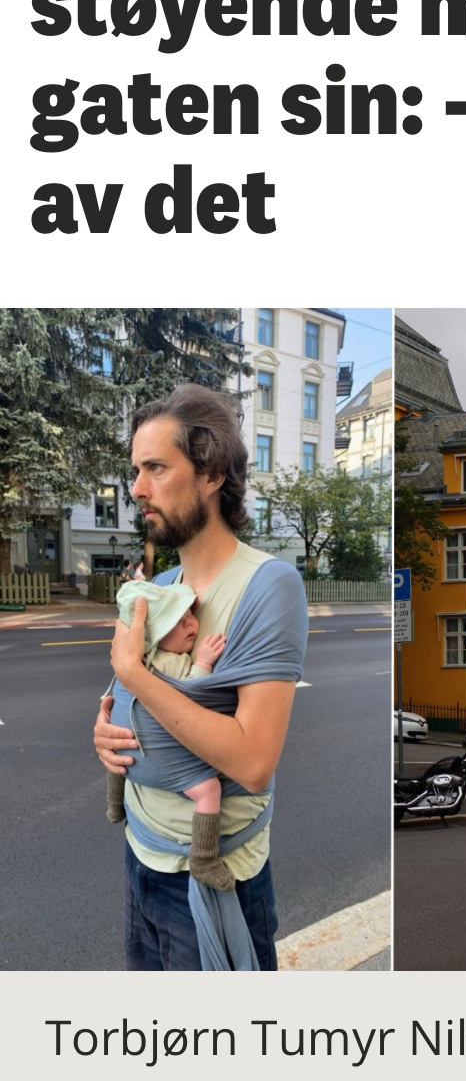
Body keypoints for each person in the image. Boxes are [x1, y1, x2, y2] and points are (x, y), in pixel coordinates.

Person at [93, 384, 308, 972]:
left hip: (212, 882)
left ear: (211, 472)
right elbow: (126, 695)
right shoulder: (159, 592)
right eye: (137, 470)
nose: (137, 488)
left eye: (156, 468)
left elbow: (252, 762)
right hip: (142, 855)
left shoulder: (269, 587)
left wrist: (134, 673)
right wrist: (106, 731)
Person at [103, 578, 230, 888]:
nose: (192, 625)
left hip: (128, 754)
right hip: (159, 762)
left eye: (191, 616)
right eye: (180, 622)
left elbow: (111, 698)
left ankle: (115, 804)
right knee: (209, 790)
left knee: (117, 757)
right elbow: (188, 697)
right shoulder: (171, 663)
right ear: (156, 636)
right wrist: (203, 662)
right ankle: (203, 857)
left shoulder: (134, 663)